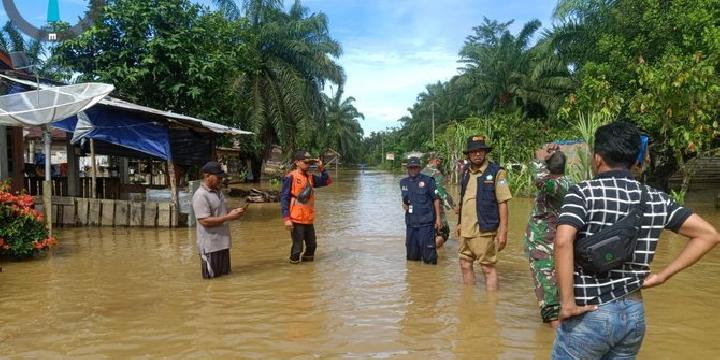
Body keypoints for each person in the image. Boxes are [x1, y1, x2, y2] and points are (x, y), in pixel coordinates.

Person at [552, 121, 720, 359]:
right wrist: (663, 276)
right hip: (633, 314)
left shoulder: (582, 192)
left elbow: (562, 241)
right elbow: (709, 235)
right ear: (634, 159)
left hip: (590, 311)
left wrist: (567, 303)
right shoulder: (656, 198)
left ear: (598, 157)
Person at [523, 144, 572, 328]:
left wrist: (538, 160)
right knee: (554, 297)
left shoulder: (557, 186)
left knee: (550, 303)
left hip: (546, 249)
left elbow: (541, 181)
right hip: (548, 247)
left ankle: (556, 345)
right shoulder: (566, 183)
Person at [456, 135, 512, 291]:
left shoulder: (496, 172)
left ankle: (490, 307)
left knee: (487, 268)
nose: (477, 154)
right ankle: (469, 301)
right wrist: (459, 222)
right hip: (465, 229)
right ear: (468, 154)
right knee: (465, 264)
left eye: (480, 151)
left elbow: (503, 202)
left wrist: (503, 231)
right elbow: (463, 198)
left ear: (485, 152)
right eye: (473, 151)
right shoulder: (466, 172)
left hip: (484, 229)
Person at [192, 161, 246, 279]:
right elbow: (204, 221)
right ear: (207, 176)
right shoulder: (201, 195)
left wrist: (233, 212)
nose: (221, 180)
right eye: (218, 177)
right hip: (210, 247)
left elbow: (219, 213)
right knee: (212, 283)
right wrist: (229, 217)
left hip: (223, 243)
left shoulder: (218, 192)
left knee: (224, 280)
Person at [280, 150, 332, 264]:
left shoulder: (311, 178)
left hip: (308, 219)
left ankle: (307, 275)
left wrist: (321, 167)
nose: (307, 164)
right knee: (297, 249)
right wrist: (286, 219)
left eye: (309, 162)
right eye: (305, 162)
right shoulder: (290, 177)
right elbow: (284, 198)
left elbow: (328, 181)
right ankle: (295, 274)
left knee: (312, 246)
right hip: (296, 219)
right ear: (297, 162)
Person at [400, 156, 442, 264]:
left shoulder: (428, 181)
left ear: (420, 168)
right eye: (411, 168)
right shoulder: (403, 182)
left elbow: (436, 199)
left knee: (429, 259)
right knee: (412, 259)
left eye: (415, 167)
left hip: (426, 224)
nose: (413, 170)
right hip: (411, 224)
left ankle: (431, 279)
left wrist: (438, 219)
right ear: (407, 169)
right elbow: (404, 199)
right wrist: (404, 205)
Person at [421, 156, 456, 247]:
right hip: (435, 206)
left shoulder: (421, 172)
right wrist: (453, 206)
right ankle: (430, 249)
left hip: (422, 208)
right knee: (444, 233)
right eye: (439, 160)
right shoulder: (436, 173)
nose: (439, 162)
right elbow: (441, 191)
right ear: (435, 161)